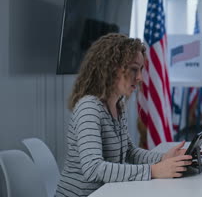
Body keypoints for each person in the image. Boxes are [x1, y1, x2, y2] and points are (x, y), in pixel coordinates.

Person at [56, 34, 192, 197]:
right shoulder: (89, 107)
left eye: (141, 70)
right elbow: (93, 169)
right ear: (111, 68)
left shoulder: (118, 104)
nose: (140, 77)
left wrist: (163, 158)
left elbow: (129, 152)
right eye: (134, 69)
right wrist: (153, 170)